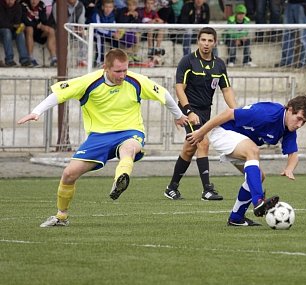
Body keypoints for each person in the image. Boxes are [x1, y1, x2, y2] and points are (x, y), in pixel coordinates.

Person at [17, 48, 188, 227]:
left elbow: (164, 94)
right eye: (118, 71)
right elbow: (59, 94)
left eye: (125, 70)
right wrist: (36, 112)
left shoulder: (136, 81)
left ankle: (119, 180)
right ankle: (61, 216)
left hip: (130, 131)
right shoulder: (89, 81)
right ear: (105, 67)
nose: (123, 75)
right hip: (98, 137)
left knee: (128, 149)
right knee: (69, 174)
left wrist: (178, 115)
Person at [186, 95, 306, 226]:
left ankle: (236, 218)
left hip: (240, 141)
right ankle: (259, 201)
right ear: (289, 110)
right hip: (223, 132)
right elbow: (229, 113)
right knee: (253, 151)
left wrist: (289, 168)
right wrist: (200, 133)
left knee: (258, 177)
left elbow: (293, 154)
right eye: (299, 119)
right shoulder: (267, 114)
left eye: (304, 122)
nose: (300, 125)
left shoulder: (288, 128)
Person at [165, 27, 237, 201]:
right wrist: (188, 111)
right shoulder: (188, 61)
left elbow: (226, 89)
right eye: (203, 40)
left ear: (215, 42)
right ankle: (207, 190)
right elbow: (179, 88)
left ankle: (172, 187)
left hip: (205, 111)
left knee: (189, 149)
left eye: (210, 40)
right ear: (198, 41)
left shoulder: (219, 64)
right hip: (189, 109)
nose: (206, 44)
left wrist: (237, 112)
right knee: (203, 142)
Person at [275, 0, 306, 68]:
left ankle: (305, 62)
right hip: (290, 4)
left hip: (303, 5)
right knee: (287, 35)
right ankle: (287, 61)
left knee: (304, 36)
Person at [20, 0, 57, 67]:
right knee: (29, 28)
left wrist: (42, 25)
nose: (34, 1)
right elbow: (24, 20)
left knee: (51, 30)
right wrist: (37, 24)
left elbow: (44, 20)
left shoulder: (41, 5)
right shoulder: (23, 4)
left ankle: (53, 58)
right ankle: (30, 58)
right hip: (27, 31)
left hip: (38, 31)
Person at [52, 0, 88, 67]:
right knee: (59, 33)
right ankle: (59, 60)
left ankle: (81, 60)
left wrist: (80, 28)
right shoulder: (57, 5)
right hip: (59, 29)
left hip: (74, 30)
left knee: (84, 34)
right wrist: (73, 28)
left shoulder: (80, 5)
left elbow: (81, 22)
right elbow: (58, 22)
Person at [0, 0, 31, 67]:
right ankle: (9, 60)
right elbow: (1, 23)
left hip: (11, 31)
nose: (9, 1)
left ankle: (24, 59)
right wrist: (14, 25)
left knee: (20, 32)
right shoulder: (1, 5)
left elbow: (17, 21)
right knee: (7, 31)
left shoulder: (18, 6)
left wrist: (19, 27)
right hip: (2, 31)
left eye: (12, 0)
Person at [90, 0, 119, 67]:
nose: (108, 9)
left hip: (107, 34)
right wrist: (110, 33)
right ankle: (99, 61)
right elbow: (98, 28)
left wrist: (115, 33)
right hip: (96, 34)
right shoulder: (97, 14)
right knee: (99, 37)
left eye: (110, 7)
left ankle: (113, 61)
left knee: (116, 39)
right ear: (103, 7)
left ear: (113, 8)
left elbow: (114, 27)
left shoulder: (112, 15)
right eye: (106, 7)